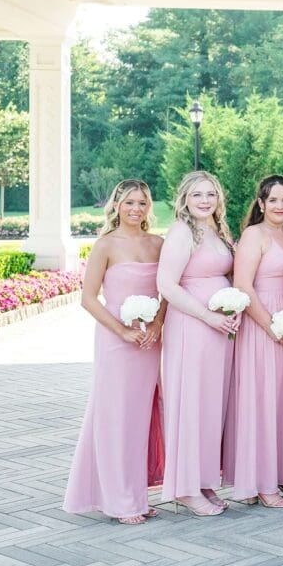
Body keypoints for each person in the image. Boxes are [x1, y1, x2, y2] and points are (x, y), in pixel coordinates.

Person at [63, 178, 164, 524]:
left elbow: (166, 292)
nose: (136, 209)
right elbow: (88, 298)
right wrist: (122, 330)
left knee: (141, 417)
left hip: (149, 341)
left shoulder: (158, 244)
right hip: (116, 340)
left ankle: (136, 495)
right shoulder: (105, 245)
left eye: (142, 203)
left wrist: (157, 325)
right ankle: (119, 501)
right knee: (115, 416)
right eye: (129, 203)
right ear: (117, 206)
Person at [156, 169, 237, 516]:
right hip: (192, 326)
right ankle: (185, 488)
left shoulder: (217, 230)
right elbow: (167, 284)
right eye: (197, 195)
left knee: (210, 405)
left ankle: (203, 480)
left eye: (211, 194)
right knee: (190, 404)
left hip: (218, 330)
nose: (205, 201)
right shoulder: (181, 232)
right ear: (185, 199)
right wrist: (207, 316)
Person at [224, 176, 283, 507]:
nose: (279, 206)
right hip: (263, 322)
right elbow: (243, 284)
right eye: (273, 200)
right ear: (260, 203)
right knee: (263, 401)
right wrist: (271, 327)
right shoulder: (254, 235)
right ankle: (261, 482)